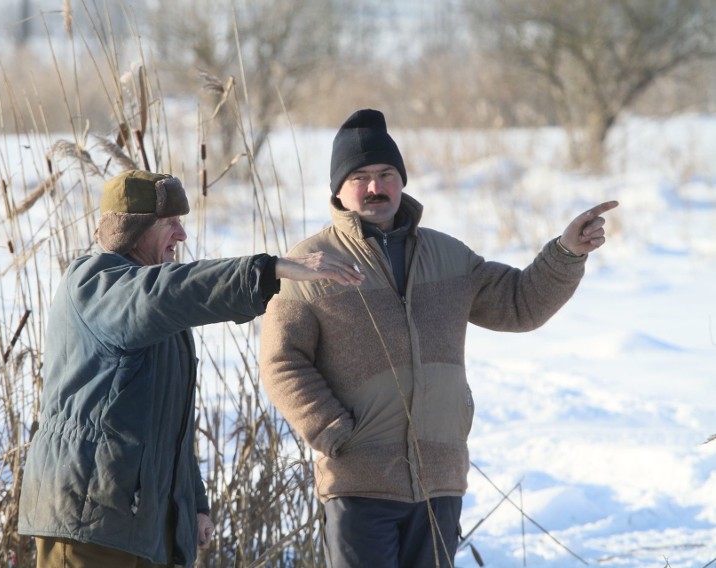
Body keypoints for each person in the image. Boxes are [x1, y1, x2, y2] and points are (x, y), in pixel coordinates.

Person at [259, 109, 618, 568]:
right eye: (361, 177)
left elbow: (519, 303)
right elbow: (281, 361)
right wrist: (333, 430)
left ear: (401, 181)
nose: (375, 187)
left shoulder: (447, 255)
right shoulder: (308, 263)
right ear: (338, 189)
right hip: (359, 479)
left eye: (386, 174)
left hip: (440, 477)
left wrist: (566, 253)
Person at [17, 169, 363, 568]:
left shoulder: (155, 310)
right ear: (132, 232)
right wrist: (269, 270)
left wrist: (192, 504)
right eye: (169, 224)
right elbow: (168, 292)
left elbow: (169, 427)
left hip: (138, 526)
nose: (181, 235)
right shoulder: (96, 285)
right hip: (89, 522)